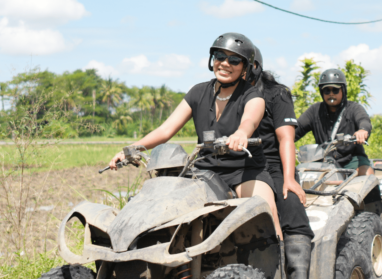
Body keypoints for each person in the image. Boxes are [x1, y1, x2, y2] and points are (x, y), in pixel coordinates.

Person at [108, 32, 282, 239]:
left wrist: (241, 134)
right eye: (220, 57)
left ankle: (279, 263)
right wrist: (131, 150)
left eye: (234, 60)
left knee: (265, 209)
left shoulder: (252, 95)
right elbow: (165, 130)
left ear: (245, 67)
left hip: (244, 171)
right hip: (204, 171)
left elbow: (250, 120)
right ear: (212, 60)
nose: (225, 64)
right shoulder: (198, 92)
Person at [251, 47, 315, 279]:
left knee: (290, 207)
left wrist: (289, 177)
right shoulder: (225, 94)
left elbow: (286, 138)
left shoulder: (276, 93)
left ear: (253, 66)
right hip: (238, 166)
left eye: (237, 61)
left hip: (273, 164)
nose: (228, 66)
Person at [294, 68, 373, 175]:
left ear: (343, 90)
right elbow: (295, 130)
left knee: (367, 174)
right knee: (303, 178)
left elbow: (364, 120)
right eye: (327, 90)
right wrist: (285, 140)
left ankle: (375, 192)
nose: (331, 94)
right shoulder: (314, 111)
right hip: (324, 161)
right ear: (322, 92)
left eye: (335, 90)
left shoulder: (354, 108)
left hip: (351, 159)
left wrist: (362, 130)